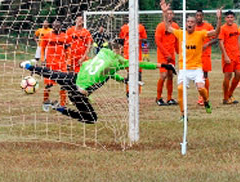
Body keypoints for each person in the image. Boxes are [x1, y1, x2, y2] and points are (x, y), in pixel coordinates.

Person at [20, 39, 176, 124]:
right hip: (79, 93)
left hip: (74, 79)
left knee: (53, 74)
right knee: (91, 119)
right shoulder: (120, 61)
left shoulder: (102, 51)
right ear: (120, 49)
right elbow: (141, 64)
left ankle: (28, 66)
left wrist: (121, 80)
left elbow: (104, 72)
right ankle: (60, 109)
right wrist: (163, 65)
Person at [160, 0, 222, 121]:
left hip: (196, 68)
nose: (190, 23)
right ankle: (183, 115)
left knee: (200, 88)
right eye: (188, 21)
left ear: (195, 25)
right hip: (183, 68)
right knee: (180, 89)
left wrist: (219, 19)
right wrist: (164, 13)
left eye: (192, 22)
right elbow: (167, 28)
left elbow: (216, 32)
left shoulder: (200, 34)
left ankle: (206, 101)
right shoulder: (180, 33)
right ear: (186, 23)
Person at [40, 20, 69, 111]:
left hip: (62, 64)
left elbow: (68, 50)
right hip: (50, 63)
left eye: (58, 25)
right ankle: (46, 102)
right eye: (55, 25)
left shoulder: (65, 36)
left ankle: (63, 104)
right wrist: (42, 59)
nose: (56, 27)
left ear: (60, 26)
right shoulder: (47, 36)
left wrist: (68, 62)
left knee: (63, 84)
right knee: (48, 85)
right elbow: (42, 48)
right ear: (52, 26)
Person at [154, 8, 179, 106]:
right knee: (163, 75)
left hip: (171, 54)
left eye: (171, 13)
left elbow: (177, 40)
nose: (169, 15)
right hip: (162, 55)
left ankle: (169, 98)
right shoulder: (160, 26)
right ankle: (158, 98)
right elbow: (158, 42)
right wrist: (165, 54)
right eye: (167, 13)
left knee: (170, 75)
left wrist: (178, 52)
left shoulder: (175, 26)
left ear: (173, 15)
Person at [195, 10, 219, 106]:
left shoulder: (208, 26)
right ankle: (201, 95)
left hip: (205, 54)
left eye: (200, 15)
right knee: (197, 76)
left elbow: (216, 38)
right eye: (197, 15)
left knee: (205, 76)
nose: (199, 17)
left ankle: (204, 97)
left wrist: (208, 44)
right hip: (195, 55)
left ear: (203, 16)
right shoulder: (193, 27)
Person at [218, 11, 240, 105]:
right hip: (228, 55)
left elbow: (237, 40)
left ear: (234, 18)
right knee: (228, 76)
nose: (230, 19)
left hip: (236, 55)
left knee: (239, 74)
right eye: (228, 17)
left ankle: (230, 94)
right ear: (225, 19)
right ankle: (225, 98)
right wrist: (225, 56)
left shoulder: (236, 26)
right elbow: (220, 43)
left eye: (231, 17)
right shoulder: (223, 28)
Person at [118, 21, 148, 94]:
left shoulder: (141, 27)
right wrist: (121, 50)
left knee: (138, 72)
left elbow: (145, 40)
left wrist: (145, 53)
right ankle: (129, 92)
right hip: (127, 54)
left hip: (138, 54)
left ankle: (137, 92)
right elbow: (121, 40)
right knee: (130, 73)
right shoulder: (124, 28)